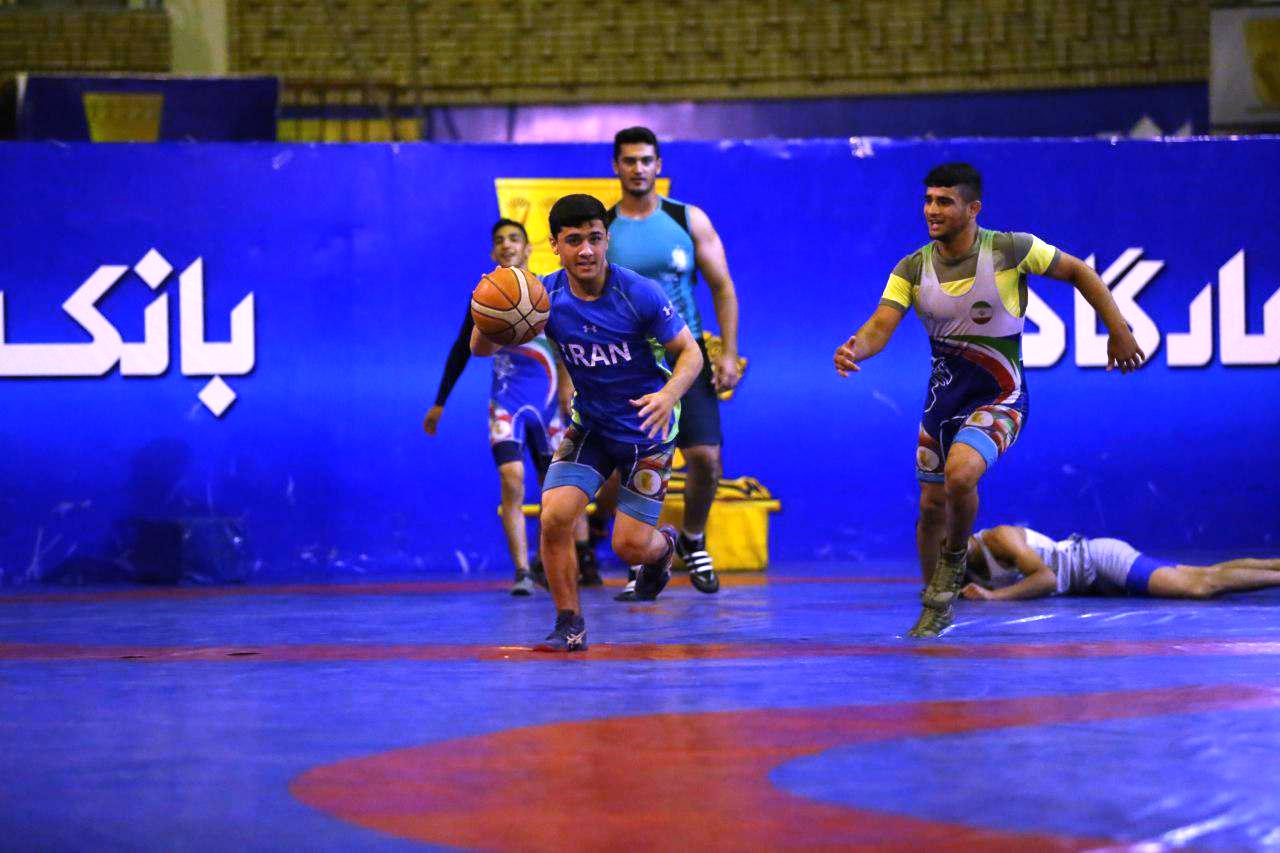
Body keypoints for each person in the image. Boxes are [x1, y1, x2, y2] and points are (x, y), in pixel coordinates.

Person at [833, 162, 1146, 638]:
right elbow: (880, 326)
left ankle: (952, 565)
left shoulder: (1010, 249)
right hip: (942, 404)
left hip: (1002, 396)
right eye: (928, 200)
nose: (931, 210)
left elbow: (1080, 272)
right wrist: (854, 349)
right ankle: (936, 602)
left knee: (961, 475)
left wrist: (1118, 330)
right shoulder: (912, 268)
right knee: (931, 508)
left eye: (944, 202)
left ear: (973, 208)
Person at [472, 193, 703, 652]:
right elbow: (480, 348)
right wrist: (491, 312)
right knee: (555, 517)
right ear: (555, 245)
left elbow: (691, 354)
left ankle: (663, 548)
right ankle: (569, 624)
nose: (586, 250)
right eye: (574, 240)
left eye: (595, 238)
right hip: (591, 428)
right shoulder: (543, 296)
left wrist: (667, 395)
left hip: (647, 433)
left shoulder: (638, 292)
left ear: (607, 240)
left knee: (629, 548)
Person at [425, 219, 599, 596]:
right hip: (508, 401)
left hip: (549, 404)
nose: (506, 244)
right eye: (500, 240)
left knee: (559, 489)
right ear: (493, 251)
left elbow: (569, 344)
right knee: (512, 477)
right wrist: (440, 402)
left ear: (528, 248)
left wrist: (570, 386)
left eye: (514, 238)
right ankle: (522, 571)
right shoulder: (485, 298)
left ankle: (573, 559)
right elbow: (462, 350)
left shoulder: (548, 291)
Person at [603, 126, 741, 599]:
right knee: (626, 467)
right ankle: (640, 556)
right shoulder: (604, 228)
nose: (638, 168)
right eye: (629, 160)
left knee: (705, 458)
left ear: (658, 166)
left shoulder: (687, 219)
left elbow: (722, 287)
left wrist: (728, 353)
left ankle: (693, 538)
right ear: (616, 167)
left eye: (646, 160)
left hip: (686, 358)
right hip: (627, 364)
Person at [961, 525, 1280, 601]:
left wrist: (994, 597)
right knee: (1206, 572)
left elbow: (1045, 579)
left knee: (1196, 587)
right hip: (1094, 580)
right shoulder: (960, 568)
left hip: (1099, 560)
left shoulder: (999, 537)